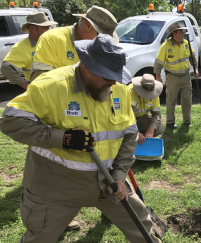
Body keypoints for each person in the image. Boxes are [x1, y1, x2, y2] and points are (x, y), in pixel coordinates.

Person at [0, 35, 190, 243]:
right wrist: (62, 138)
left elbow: (127, 135)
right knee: (38, 239)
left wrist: (120, 175)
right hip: (57, 185)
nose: (113, 83)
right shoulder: (51, 86)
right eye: (107, 77)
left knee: (137, 214)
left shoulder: (119, 91)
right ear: (87, 66)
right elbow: (10, 121)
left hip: (106, 180)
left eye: (116, 77)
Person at [29, 5, 118, 230]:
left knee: (104, 164)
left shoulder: (102, 42)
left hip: (93, 117)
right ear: (88, 25)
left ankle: (111, 207)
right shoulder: (52, 40)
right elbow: (40, 83)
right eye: (101, 35)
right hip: (60, 121)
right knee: (59, 172)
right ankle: (54, 217)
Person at [30, 5, 118, 82]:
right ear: (88, 25)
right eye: (102, 37)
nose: (103, 42)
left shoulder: (98, 46)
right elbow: (39, 80)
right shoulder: (51, 39)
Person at [154, 22, 198, 130]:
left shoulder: (187, 44)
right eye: (180, 31)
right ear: (174, 34)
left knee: (187, 99)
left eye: (183, 31)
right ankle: (170, 122)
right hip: (172, 77)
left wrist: (196, 70)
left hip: (186, 76)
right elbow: (158, 63)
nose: (183, 33)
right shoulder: (166, 45)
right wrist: (157, 77)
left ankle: (187, 121)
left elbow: (193, 59)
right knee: (171, 100)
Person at [1, 12, 57, 90]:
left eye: (49, 27)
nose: (48, 30)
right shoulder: (22, 47)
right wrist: (27, 87)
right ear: (32, 29)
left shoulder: (53, 42)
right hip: (40, 89)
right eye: (45, 27)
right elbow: (6, 68)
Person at [129, 74, 165, 144]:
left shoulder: (155, 94)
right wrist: (135, 131)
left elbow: (157, 114)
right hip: (128, 120)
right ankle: (132, 135)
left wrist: (151, 128)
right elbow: (129, 115)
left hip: (141, 118)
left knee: (160, 128)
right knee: (127, 132)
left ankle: (141, 135)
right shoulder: (131, 91)